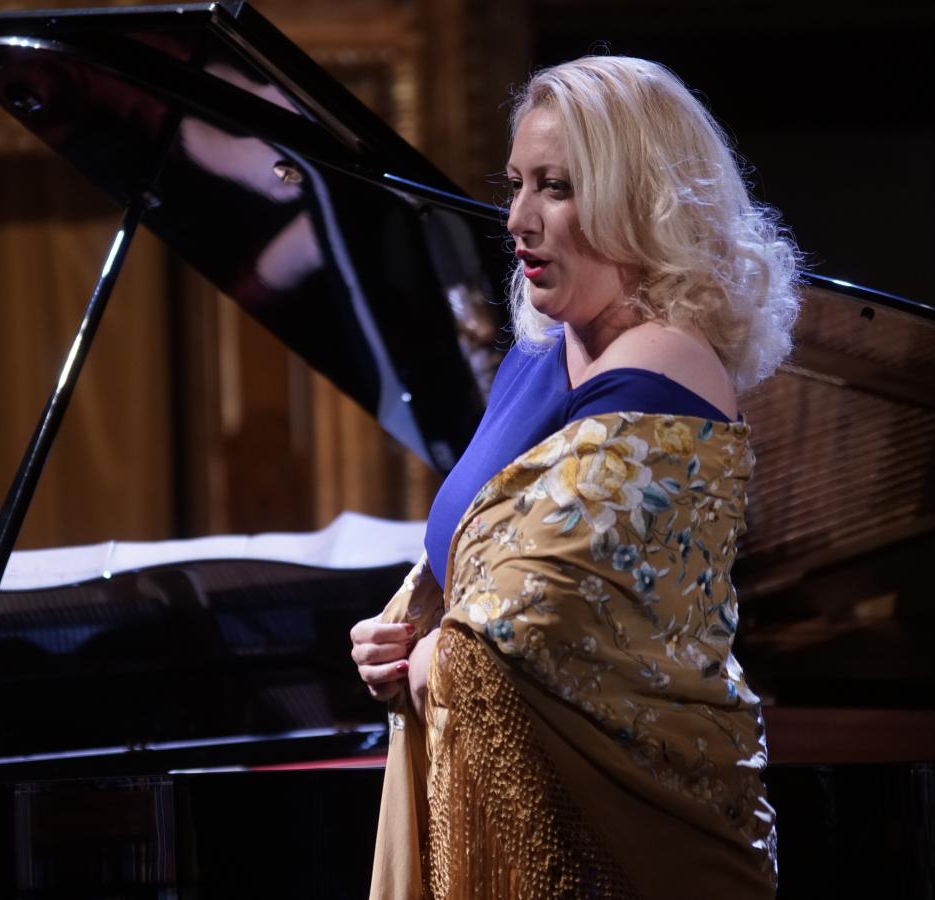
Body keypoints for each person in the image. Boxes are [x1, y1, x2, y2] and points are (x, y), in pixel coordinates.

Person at [352, 55, 800, 899]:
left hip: (625, 850)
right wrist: (403, 626)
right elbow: (476, 567)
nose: (517, 217)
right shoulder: (538, 356)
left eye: (555, 187)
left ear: (640, 197)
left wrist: (428, 663)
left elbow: (537, 625)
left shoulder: (663, 368)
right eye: (516, 182)